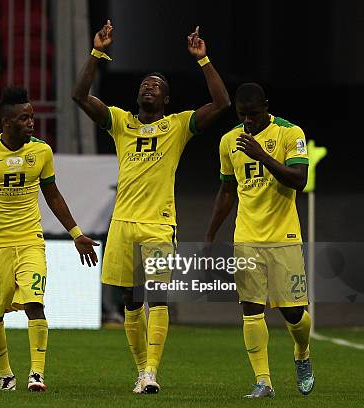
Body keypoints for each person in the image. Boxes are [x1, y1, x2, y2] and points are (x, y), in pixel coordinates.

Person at [72, 21, 230, 394]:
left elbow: (222, 103)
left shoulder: (177, 126)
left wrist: (203, 60)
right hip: (123, 223)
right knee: (130, 300)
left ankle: (152, 371)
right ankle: (141, 369)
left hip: (159, 224)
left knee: (157, 295)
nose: (149, 86)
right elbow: (79, 95)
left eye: (157, 86)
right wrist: (97, 52)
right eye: (145, 83)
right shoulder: (121, 123)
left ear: (166, 101)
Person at [0, 87, 99, 392]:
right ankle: (6, 375)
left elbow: (53, 195)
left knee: (35, 303)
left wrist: (76, 233)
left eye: (32, 116)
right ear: (6, 122)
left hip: (31, 239)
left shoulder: (41, 151)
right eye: (24, 118)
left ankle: (37, 374)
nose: (31, 122)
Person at [204, 83, 314, 398]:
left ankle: (302, 352)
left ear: (266, 106)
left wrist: (262, 155)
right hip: (247, 236)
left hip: (284, 235)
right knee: (251, 309)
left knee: (294, 313)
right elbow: (227, 191)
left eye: (254, 114)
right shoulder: (229, 142)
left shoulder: (291, 134)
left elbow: (299, 180)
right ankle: (263, 381)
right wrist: (210, 234)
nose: (248, 121)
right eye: (243, 115)